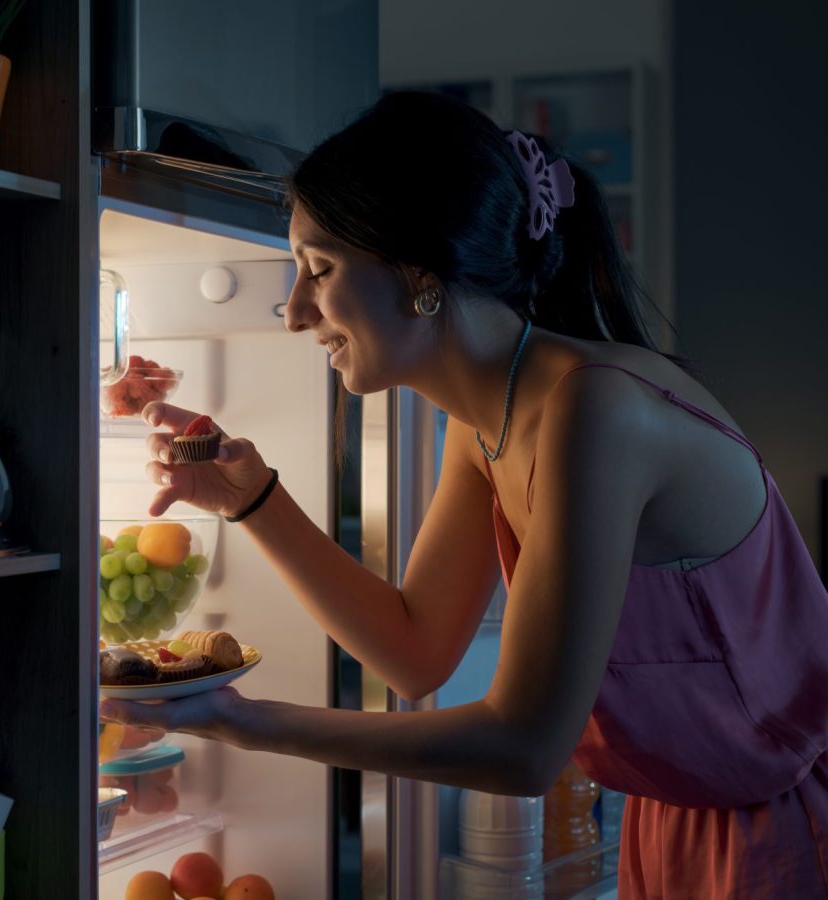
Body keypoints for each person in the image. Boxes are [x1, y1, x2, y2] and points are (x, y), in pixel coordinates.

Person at [98, 92, 828, 898]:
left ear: (420, 274)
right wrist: (251, 499)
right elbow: (415, 651)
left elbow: (524, 748)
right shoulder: (488, 420)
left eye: (321, 269)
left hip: (787, 824)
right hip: (686, 816)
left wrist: (243, 720)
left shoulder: (596, 412)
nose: (297, 315)